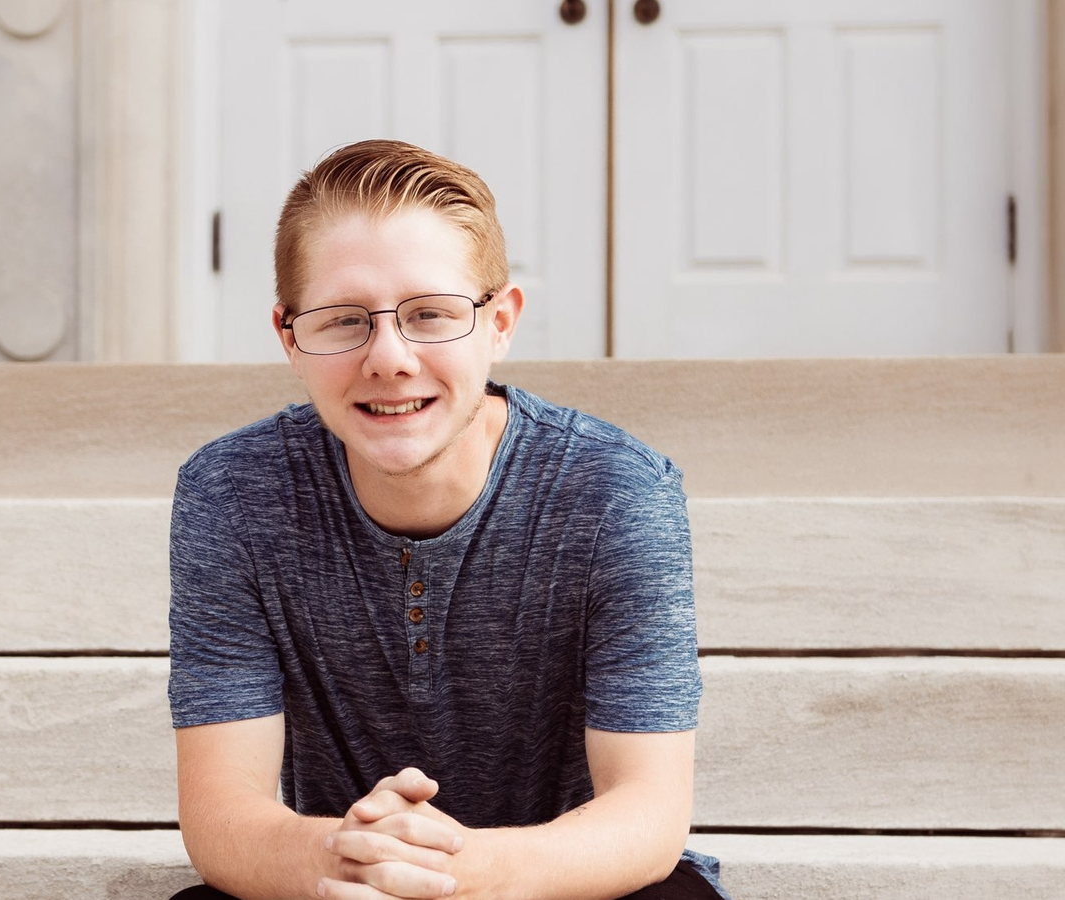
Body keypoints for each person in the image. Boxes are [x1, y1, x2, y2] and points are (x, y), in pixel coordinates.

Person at [167, 139, 731, 900]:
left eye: (431, 314)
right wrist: (343, 856)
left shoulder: (616, 491)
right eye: (343, 320)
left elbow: (647, 814)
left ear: (500, 322)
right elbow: (222, 818)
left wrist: (451, 873)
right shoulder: (232, 491)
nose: (389, 358)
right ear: (289, 337)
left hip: (564, 884)